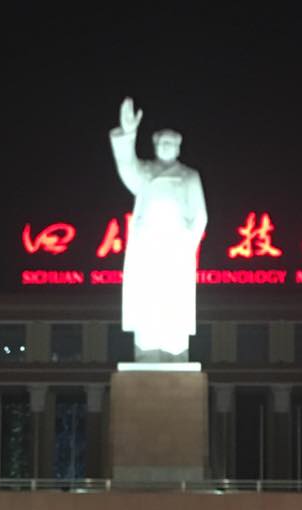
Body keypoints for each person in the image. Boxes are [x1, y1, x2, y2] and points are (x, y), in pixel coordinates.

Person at [109, 96, 208, 362]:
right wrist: (128, 133)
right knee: (147, 300)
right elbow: (127, 166)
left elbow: (200, 216)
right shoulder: (145, 173)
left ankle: (176, 352)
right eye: (162, 143)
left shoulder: (189, 176)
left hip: (175, 248)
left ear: (178, 148)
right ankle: (146, 353)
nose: (167, 147)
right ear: (155, 146)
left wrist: (188, 244)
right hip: (148, 247)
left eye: (172, 144)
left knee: (173, 302)